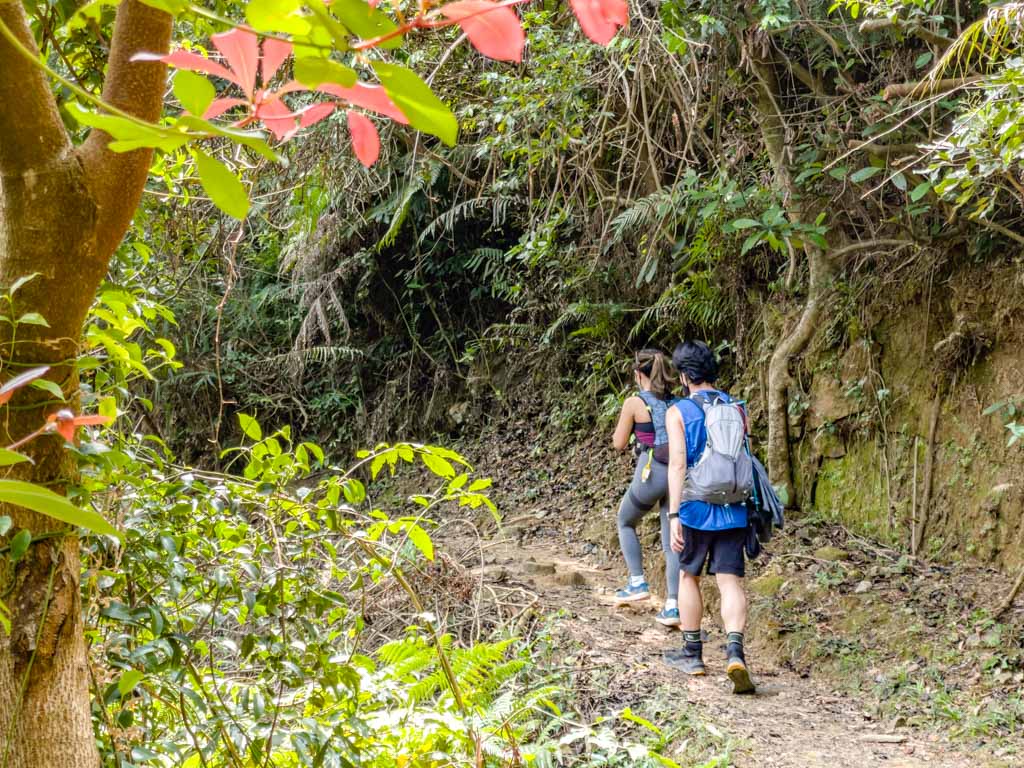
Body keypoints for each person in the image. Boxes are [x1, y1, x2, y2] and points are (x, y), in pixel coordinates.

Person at [663, 340, 755, 694]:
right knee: (730, 580)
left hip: (696, 507)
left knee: (689, 576)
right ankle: (735, 652)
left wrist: (673, 514)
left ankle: (693, 653)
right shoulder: (736, 406)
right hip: (734, 507)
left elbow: (678, 465)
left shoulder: (678, 411)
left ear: (685, 376)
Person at [610, 349, 682, 626]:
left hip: (650, 473)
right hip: (678, 474)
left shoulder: (634, 402)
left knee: (625, 520)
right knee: (671, 539)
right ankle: (673, 605)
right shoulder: (677, 402)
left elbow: (618, 443)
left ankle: (637, 582)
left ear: (639, 374)